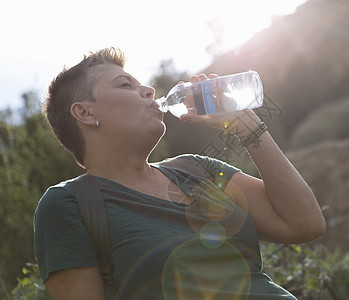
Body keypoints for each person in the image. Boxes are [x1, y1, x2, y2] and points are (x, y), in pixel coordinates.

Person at [34, 47, 326, 299]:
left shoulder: (198, 169)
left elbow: (305, 223)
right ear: (85, 113)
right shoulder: (69, 205)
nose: (148, 91)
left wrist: (246, 127)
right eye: (125, 85)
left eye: (142, 84)